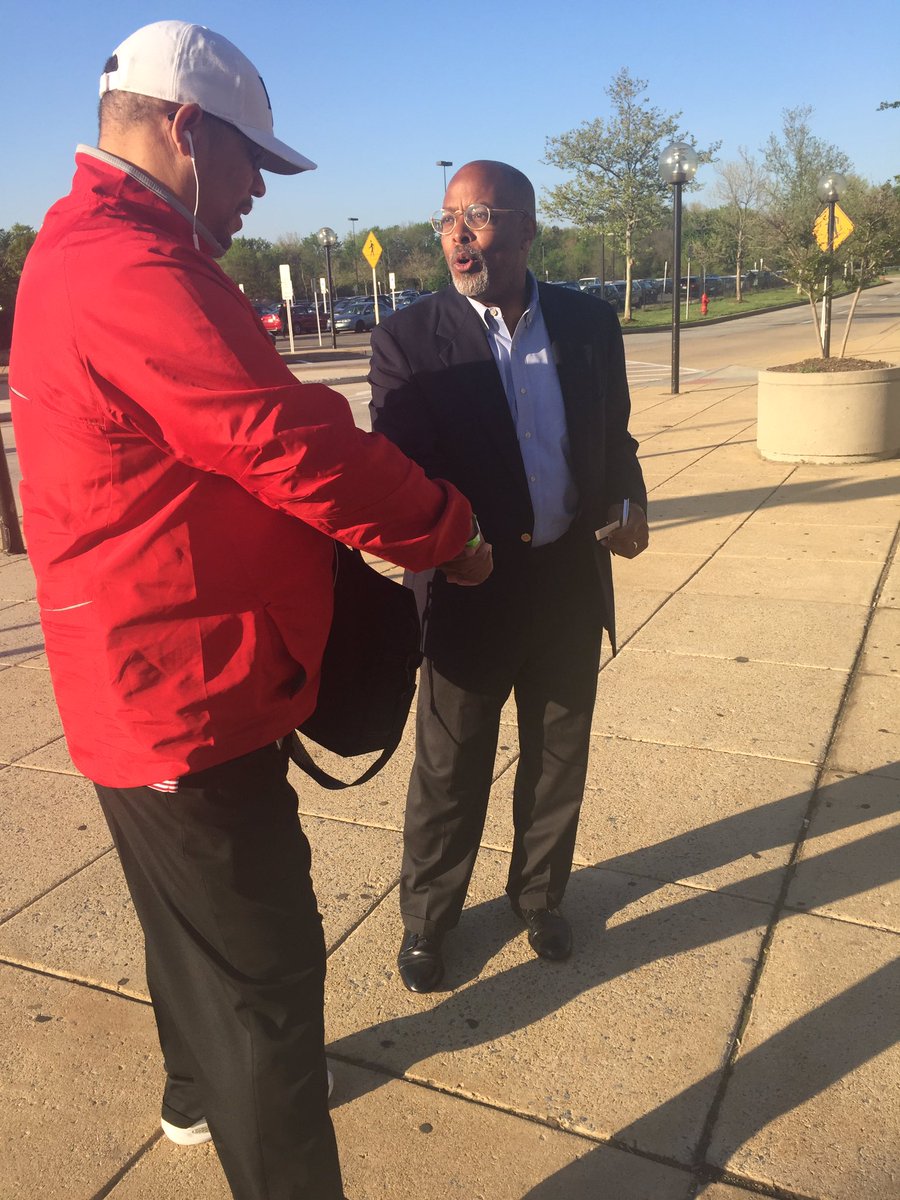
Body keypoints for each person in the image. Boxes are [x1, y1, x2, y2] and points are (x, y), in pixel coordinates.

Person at [9, 22, 490, 1200]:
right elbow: (283, 438)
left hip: (148, 678)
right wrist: (449, 531)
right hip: (183, 696)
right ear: (186, 132)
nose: (253, 199)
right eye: (250, 168)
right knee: (269, 983)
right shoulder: (130, 268)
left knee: (192, 928)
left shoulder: (86, 248)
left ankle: (188, 1085)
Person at [369, 160, 649, 993]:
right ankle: (429, 922)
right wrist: (458, 545)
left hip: (567, 577)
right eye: (448, 219)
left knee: (559, 754)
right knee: (451, 769)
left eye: (480, 216)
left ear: (530, 228)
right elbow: (403, 471)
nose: (458, 235)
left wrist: (631, 502)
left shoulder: (591, 324)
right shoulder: (408, 343)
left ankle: (539, 896)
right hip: (468, 589)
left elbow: (618, 443)